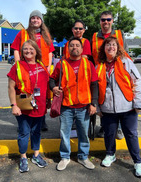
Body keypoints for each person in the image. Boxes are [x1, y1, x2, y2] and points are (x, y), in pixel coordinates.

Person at [97, 36, 141, 178]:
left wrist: (138, 103)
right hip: (107, 109)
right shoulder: (99, 66)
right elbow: (95, 88)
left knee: (131, 135)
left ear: (117, 48)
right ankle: (110, 154)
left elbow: (137, 82)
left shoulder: (126, 62)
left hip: (128, 108)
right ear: (104, 49)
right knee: (109, 134)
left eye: (113, 45)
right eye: (108, 45)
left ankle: (138, 162)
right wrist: (98, 108)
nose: (111, 47)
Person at [49, 37, 98, 171]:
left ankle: (83, 157)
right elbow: (51, 79)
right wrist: (53, 88)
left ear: (82, 49)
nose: (74, 47)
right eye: (72, 46)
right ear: (68, 48)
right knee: (64, 133)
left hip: (84, 106)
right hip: (66, 107)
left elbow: (94, 84)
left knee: (83, 134)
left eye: (77, 45)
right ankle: (65, 157)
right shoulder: (61, 64)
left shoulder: (89, 64)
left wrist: (94, 103)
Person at [7, 40, 49, 173]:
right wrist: (14, 105)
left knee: (36, 132)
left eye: (31, 49)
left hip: (40, 106)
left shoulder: (41, 65)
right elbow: (11, 87)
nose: (28, 51)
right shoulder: (17, 66)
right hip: (24, 107)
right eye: (25, 49)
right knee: (24, 132)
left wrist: (48, 100)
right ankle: (23, 157)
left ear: (36, 51)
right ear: (21, 51)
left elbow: (46, 85)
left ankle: (36, 155)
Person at [11, 10, 55, 131]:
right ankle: (24, 121)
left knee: (42, 94)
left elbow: (50, 52)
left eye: (38, 18)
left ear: (41, 21)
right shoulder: (23, 33)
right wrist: (18, 64)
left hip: (42, 69)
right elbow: (15, 49)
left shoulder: (46, 35)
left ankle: (41, 120)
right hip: (26, 68)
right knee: (24, 92)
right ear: (30, 20)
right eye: (33, 18)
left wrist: (47, 67)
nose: (35, 20)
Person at [91, 10, 130, 139]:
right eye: (103, 20)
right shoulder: (95, 36)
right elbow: (92, 56)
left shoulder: (119, 34)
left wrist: (128, 70)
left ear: (112, 21)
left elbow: (126, 52)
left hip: (117, 71)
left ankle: (118, 129)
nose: (106, 22)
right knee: (104, 100)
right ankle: (104, 126)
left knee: (117, 99)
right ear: (100, 21)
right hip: (101, 73)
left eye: (108, 19)